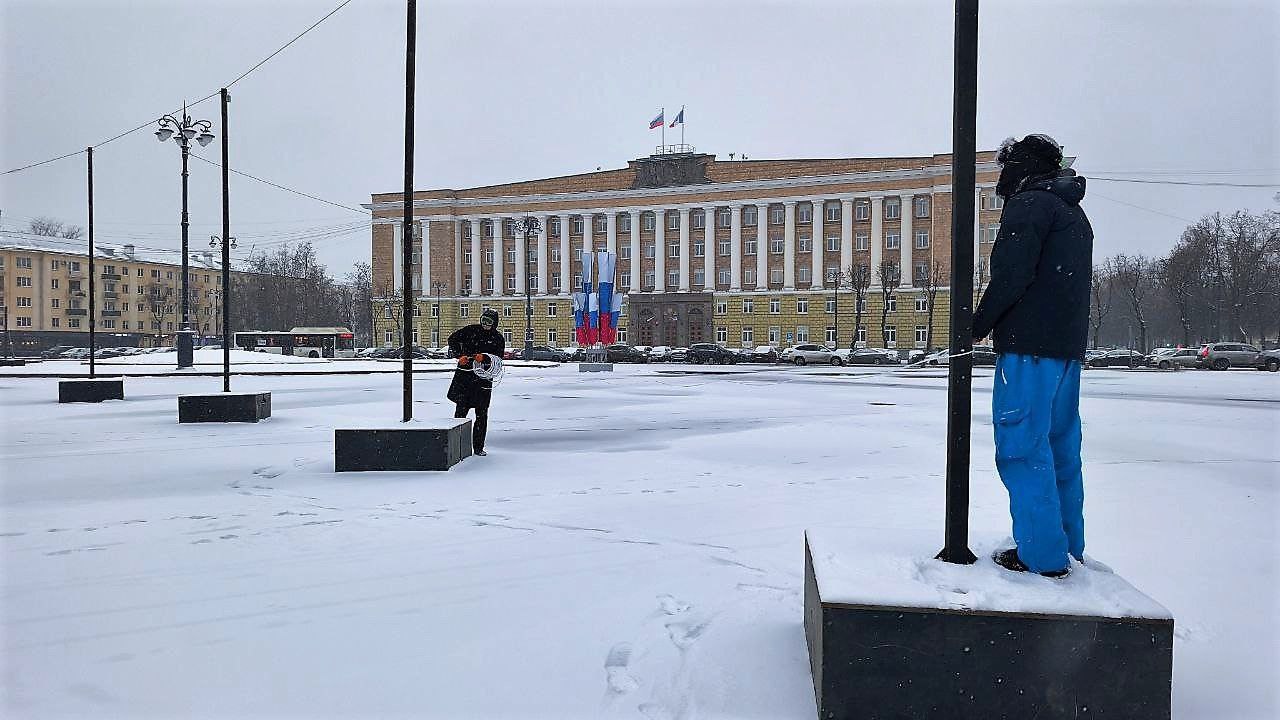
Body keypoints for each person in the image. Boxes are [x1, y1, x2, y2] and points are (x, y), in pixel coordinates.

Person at [972, 134, 1094, 578]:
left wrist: (977, 325)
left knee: (1022, 447)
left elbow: (1011, 274)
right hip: (1066, 350)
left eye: (1006, 166)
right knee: (1060, 449)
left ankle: (1042, 556)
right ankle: (1066, 545)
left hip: (1028, 349)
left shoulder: (1029, 205)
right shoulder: (1073, 211)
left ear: (1020, 166)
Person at [447, 308, 505, 456]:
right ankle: (457, 446)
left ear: (495, 323)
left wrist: (485, 358)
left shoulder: (498, 338)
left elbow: (498, 358)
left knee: (481, 414)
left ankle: (478, 447)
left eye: (489, 322)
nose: (485, 324)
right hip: (465, 378)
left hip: (483, 382)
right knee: (461, 412)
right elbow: (452, 339)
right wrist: (459, 355)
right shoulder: (471, 330)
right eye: (483, 321)